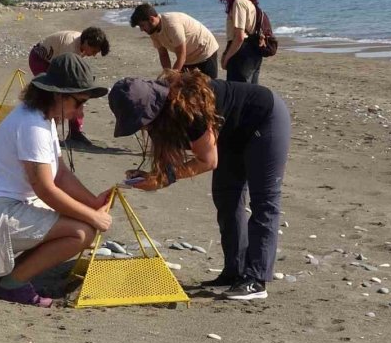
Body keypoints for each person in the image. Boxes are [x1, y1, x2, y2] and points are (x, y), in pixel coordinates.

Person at [107, 71, 289, 300]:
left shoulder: (187, 108)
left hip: (265, 118)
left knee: (264, 200)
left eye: (141, 121)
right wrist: (152, 175)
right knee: (226, 196)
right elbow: (173, 163)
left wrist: (164, 178)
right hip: (230, 133)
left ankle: (256, 280)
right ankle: (235, 271)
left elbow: (208, 161)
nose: (142, 127)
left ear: (153, 108)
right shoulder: (163, 115)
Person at [0, 53, 113, 307]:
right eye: (79, 102)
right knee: (81, 232)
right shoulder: (32, 126)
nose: (80, 111)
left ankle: (9, 278)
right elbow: (45, 189)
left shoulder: (43, 118)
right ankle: (13, 284)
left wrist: (92, 202)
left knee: (81, 220)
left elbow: (60, 174)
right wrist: (92, 216)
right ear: (58, 95)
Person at [28, 27, 110, 146]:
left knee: (74, 95)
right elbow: (64, 74)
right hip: (40, 59)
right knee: (54, 96)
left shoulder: (80, 44)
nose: (93, 55)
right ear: (87, 42)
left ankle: (75, 132)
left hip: (55, 60)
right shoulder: (70, 47)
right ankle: (50, 132)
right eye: (94, 51)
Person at [129, 3, 220, 80]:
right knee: (186, 91)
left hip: (205, 52)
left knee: (208, 91)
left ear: (152, 19)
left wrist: (171, 78)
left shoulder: (171, 24)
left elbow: (181, 55)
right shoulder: (153, 32)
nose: (141, 29)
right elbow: (163, 54)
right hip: (188, 58)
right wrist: (168, 75)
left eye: (142, 25)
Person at [215, 0, 263, 84]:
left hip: (242, 54)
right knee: (251, 93)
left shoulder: (238, 3)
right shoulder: (249, 1)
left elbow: (239, 36)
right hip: (254, 51)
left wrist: (226, 58)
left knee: (237, 94)